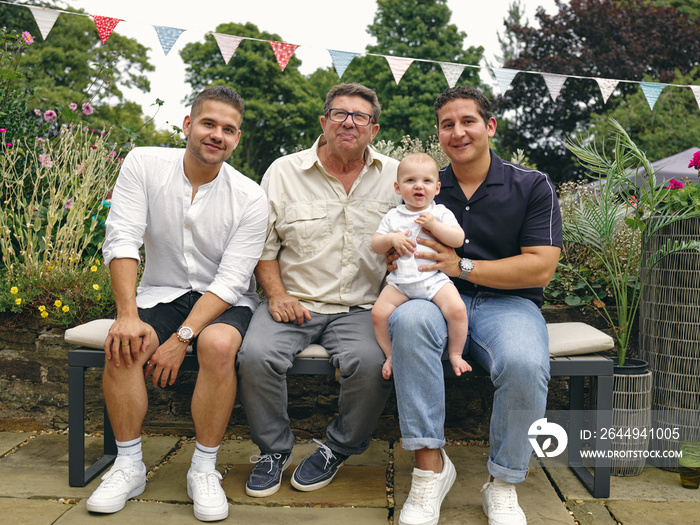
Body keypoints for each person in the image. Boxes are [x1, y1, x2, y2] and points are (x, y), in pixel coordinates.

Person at [86, 86, 268, 522]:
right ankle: (129, 466)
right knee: (125, 343)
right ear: (188, 125)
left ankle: (204, 470)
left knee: (219, 346)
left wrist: (182, 337)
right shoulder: (144, 164)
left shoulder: (250, 196)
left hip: (223, 300)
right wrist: (127, 316)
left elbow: (231, 279)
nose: (217, 135)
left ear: (236, 138)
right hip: (161, 289)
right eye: (209, 123)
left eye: (229, 129)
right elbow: (122, 238)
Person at [390, 86, 562, 525]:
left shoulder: (531, 185)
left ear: (489, 127)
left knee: (524, 362)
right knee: (407, 321)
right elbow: (395, 245)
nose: (458, 132)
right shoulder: (425, 186)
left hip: (509, 305)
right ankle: (431, 470)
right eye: (447, 124)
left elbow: (540, 268)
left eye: (467, 121)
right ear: (439, 134)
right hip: (432, 298)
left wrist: (461, 266)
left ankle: (502, 483)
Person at [236, 83, 401, 498]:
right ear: (323, 122)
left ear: (373, 129)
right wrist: (275, 295)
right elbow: (263, 246)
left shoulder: (396, 176)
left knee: (373, 364)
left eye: (359, 116)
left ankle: (337, 447)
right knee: (255, 356)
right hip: (294, 302)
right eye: (339, 113)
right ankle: (273, 451)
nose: (349, 122)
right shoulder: (283, 172)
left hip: (363, 307)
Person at [371, 152, 470, 380]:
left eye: (426, 181)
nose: (419, 186)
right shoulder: (393, 216)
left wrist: (435, 226)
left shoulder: (439, 213)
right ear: (397, 188)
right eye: (410, 180)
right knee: (378, 314)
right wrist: (391, 240)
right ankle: (390, 355)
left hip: (433, 281)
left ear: (437, 188)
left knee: (457, 310)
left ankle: (455, 354)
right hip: (400, 283)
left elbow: (457, 239)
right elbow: (376, 244)